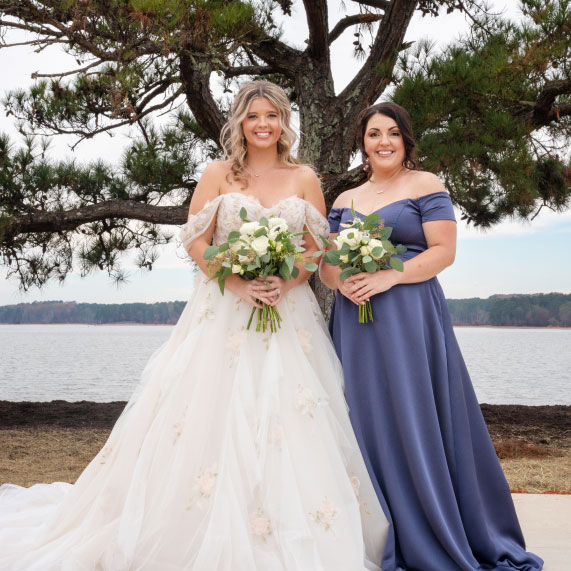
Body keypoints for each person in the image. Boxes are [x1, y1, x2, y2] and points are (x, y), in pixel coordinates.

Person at [0, 81, 388, 570]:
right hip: (224, 311)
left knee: (292, 415)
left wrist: (287, 281)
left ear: (284, 122)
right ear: (239, 123)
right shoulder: (218, 174)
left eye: (272, 116)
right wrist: (239, 282)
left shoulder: (305, 177)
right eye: (253, 116)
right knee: (212, 416)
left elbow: (315, 249)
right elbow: (196, 242)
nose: (263, 125)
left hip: (288, 314)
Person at [320, 102, 543, 571]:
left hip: (408, 316)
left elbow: (444, 252)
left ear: (406, 140)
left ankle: (435, 528)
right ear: (361, 142)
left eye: (392, 133)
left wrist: (387, 277)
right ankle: (379, 531)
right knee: (364, 418)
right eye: (374, 133)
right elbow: (326, 267)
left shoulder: (426, 185)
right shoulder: (344, 201)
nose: (383, 141)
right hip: (356, 325)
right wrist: (346, 281)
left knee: (414, 412)